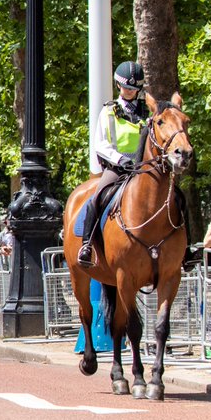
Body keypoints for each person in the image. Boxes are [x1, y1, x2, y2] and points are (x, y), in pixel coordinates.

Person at [78, 60, 146, 268]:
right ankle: (87, 245)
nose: (129, 92)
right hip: (118, 169)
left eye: (133, 89)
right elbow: (101, 144)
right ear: (118, 86)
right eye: (126, 88)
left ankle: (186, 251)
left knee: (174, 195)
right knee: (97, 198)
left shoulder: (148, 113)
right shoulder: (108, 112)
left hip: (144, 168)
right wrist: (121, 160)